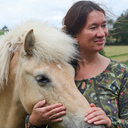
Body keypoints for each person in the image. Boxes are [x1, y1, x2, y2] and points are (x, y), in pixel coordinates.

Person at [25, 1, 128, 128]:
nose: (102, 33)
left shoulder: (121, 73)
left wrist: (110, 122)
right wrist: (34, 121)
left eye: (104, 25)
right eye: (93, 27)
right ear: (73, 35)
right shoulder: (54, 74)